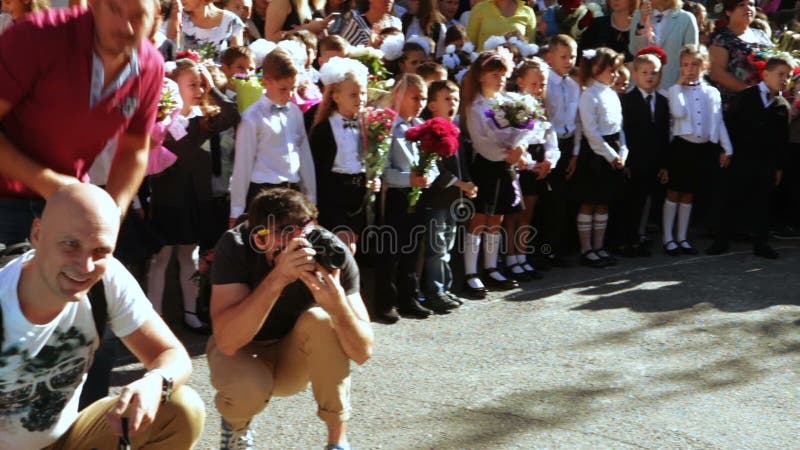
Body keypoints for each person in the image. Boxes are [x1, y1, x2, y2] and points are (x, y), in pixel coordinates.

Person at [0, 183, 205, 450]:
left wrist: (155, 383)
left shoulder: (107, 280)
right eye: (71, 244)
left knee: (180, 408)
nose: (85, 266)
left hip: (66, 438)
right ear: (37, 234)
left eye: (100, 251)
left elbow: (172, 355)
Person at [208, 187, 373, 450]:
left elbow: (363, 352)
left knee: (324, 319)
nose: (301, 249)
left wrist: (337, 305)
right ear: (260, 239)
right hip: (242, 350)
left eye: (304, 236)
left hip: (293, 358)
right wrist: (278, 278)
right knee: (247, 388)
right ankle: (236, 428)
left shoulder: (330, 251)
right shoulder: (236, 245)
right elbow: (227, 342)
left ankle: (338, 442)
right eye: (285, 240)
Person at [0, 0, 164, 245]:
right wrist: (49, 183)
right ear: (95, 4)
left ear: (156, 15)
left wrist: (112, 214)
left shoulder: (151, 66)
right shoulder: (35, 36)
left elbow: (135, 147)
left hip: (67, 206)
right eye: (115, 10)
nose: (126, 28)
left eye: (138, 16)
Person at [146, 58, 240, 332]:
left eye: (201, 84)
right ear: (175, 87)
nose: (199, 90)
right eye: (193, 85)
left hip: (195, 199)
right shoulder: (162, 119)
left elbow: (233, 114)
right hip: (167, 199)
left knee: (189, 256)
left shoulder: (204, 120)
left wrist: (214, 89)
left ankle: (191, 312)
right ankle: (154, 317)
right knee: (161, 258)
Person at [707, 56, 793, 258]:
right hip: (741, 158)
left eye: (788, 76)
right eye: (781, 74)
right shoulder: (746, 96)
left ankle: (761, 244)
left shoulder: (782, 106)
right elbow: (729, 123)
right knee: (731, 199)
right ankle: (721, 241)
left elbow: (782, 140)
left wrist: (779, 167)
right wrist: (725, 150)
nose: (784, 79)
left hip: (766, 163)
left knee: (763, 203)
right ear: (766, 74)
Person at [375, 74, 442, 320]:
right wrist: (408, 179)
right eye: (415, 97)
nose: (420, 103)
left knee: (413, 248)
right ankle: (385, 302)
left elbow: (434, 162)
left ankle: (409, 297)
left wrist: (427, 177)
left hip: (419, 193)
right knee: (391, 250)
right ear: (399, 96)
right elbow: (383, 170)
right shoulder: (387, 126)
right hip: (396, 194)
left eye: (423, 98)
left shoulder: (423, 126)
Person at [230, 48, 317, 226]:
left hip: (293, 190)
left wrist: (311, 198)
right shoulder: (252, 118)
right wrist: (237, 210)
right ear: (266, 82)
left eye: (293, 88)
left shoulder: (295, 112)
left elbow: (304, 156)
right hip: (265, 193)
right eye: (283, 89)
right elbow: (242, 165)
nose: (290, 95)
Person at [460, 51, 521, 298]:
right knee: (479, 219)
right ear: (481, 76)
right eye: (494, 75)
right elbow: (481, 140)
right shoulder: (475, 106)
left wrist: (520, 149)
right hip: (485, 164)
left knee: (496, 219)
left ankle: (491, 266)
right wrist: (507, 152)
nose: (500, 80)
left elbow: (523, 129)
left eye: (503, 75)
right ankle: (471, 272)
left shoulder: (508, 102)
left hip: (503, 166)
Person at [661, 44, 731, 255]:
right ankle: (668, 237)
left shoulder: (712, 92)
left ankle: (682, 237)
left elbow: (718, 121)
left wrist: (727, 147)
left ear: (705, 65)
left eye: (695, 64)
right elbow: (678, 112)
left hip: (702, 149)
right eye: (685, 65)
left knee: (689, 193)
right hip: (681, 147)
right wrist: (678, 87)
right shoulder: (674, 91)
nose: (690, 69)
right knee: (674, 191)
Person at [310, 57, 379, 254]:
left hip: (359, 194)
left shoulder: (369, 124)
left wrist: (374, 177)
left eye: (363, 94)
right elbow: (316, 166)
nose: (360, 99)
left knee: (351, 248)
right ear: (336, 96)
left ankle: (343, 283)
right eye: (354, 95)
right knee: (343, 247)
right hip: (334, 192)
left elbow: (374, 158)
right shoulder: (324, 128)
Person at [570, 47, 628, 267]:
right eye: (610, 70)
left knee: (603, 202)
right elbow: (591, 132)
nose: (614, 75)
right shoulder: (589, 94)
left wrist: (623, 150)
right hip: (595, 154)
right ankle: (587, 250)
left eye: (616, 70)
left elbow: (619, 127)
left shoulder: (611, 93)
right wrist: (611, 155)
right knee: (589, 201)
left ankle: (599, 246)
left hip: (612, 150)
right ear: (596, 69)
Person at [418, 79, 474, 310]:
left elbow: (461, 163)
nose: (453, 103)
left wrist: (468, 183)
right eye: (447, 99)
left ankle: (445, 288)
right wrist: (460, 183)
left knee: (446, 246)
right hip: (437, 199)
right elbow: (436, 169)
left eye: (456, 99)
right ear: (432, 105)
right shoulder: (431, 131)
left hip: (453, 199)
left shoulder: (456, 130)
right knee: (436, 248)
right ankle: (434, 290)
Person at [503, 57, 559, 281]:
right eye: (533, 84)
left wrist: (549, 161)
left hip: (537, 162)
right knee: (513, 216)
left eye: (542, 84)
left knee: (527, 215)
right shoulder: (513, 107)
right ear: (520, 81)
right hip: (521, 163)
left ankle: (522, 256)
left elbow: (550, 138)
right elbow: (511, 140)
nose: (538, 89)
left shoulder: (543, 108)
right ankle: (509, 258)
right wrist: (529, 163)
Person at [615, 52, 669, 257]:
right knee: (629, 201)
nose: (650, 77)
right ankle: (624, 240)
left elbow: (664, 133)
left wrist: (664, 163)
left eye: (654, 72)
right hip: (633, 160)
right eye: (645, 72)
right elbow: (623, 131)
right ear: (635, 74)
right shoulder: (626, 101)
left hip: (653, 160)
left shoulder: (663, 101)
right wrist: (625, 160)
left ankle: (638, 237)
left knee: (645, 200)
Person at [540, 34, 580, 268]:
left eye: (572, 56)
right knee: (549, 201)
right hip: (548, 146)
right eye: (563, 56)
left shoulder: (573, 85)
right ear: (550, 56)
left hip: (567, 144)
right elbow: (546, 119)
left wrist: (574, 153)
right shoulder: (545, 83)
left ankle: (557, 247)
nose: (568, 61)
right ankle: (543, 250)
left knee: (563, 201)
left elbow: (576, 120)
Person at [708, 0, 772, 109]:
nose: (748, 8)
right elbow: (716, 73)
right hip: (735, 105)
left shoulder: (761, 35)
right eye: (741, 5)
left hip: (765, 102)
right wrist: (752, 93)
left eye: (751, 5)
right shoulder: (722, 38)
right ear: (728, 11)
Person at [629, 0, 699, 90]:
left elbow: (692, 58)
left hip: (672, 87)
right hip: (642, 89)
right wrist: (642, 22)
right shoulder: (639, 15)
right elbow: (634, 50)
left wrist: (680, 87)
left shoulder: (686, 18)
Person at [168, 0, 245, 62]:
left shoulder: (232, 21)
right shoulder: (179, 16)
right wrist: (174, 19)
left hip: (220, 77)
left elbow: (238, 58)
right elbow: (170, 50)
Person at [466, 0, 537, 51]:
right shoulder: (479, 9)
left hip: (514, 66)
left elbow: (530, 48)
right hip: (484, 67)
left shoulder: (528, 12)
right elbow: (469, 45)